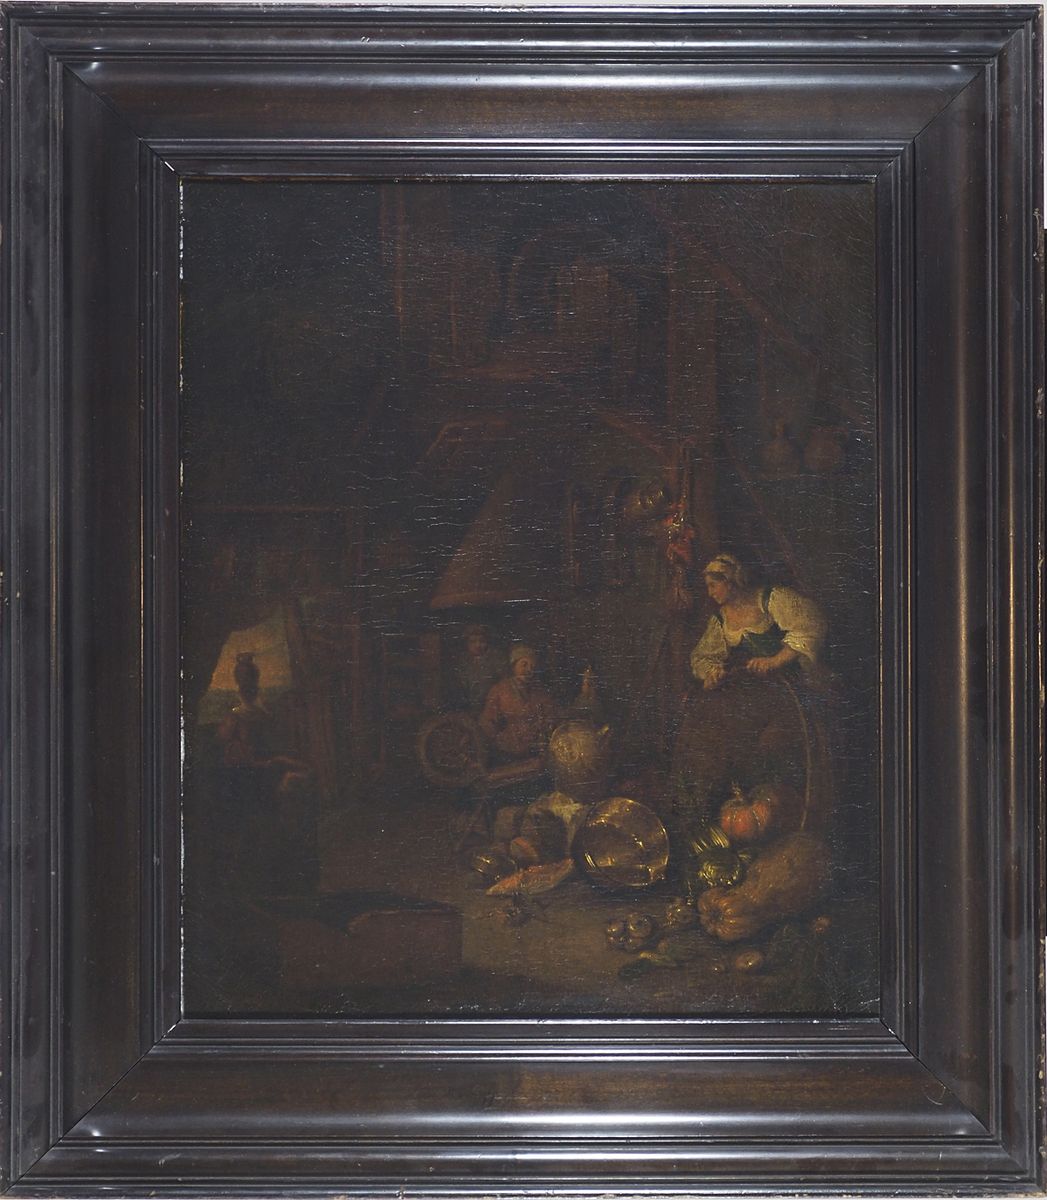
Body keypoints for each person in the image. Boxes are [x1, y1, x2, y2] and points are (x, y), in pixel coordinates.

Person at [669, 554, 827, 829]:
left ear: (732, 581)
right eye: (707, 586)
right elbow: (702, 658)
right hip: (759, 697)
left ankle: (789, 814)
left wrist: (775, 661)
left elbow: (812, 624)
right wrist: (712, 673)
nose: (710, 592)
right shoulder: (721, 619)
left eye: (714, 585)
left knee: (775, 743)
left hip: (795, 691)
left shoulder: (770, 599)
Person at [479, 643, 560, 760]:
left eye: (532, 667)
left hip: (535, 752)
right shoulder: (499, 690)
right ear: (514, 666)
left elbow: (551, 716)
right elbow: (487, 722)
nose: (528, 670)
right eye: (524, 664)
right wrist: (500, 741)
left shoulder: (540, 691)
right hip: (506, 753)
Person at [454, 624, 505, 711]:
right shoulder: (462, 662)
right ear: (467, 644)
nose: (478, 645)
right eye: (473, 641)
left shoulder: (497, 660)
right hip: (467, 709)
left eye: (482, 641)